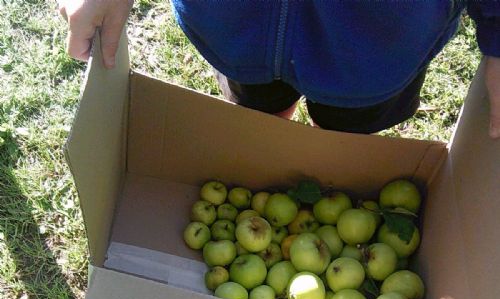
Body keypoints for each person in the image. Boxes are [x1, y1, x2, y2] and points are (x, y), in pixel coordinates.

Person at [58, 0, 500, 137]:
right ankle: (270, 138)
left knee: (347, 133)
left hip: (375, 46)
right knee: (257, 113)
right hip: (239, 26)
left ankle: (331, 149)